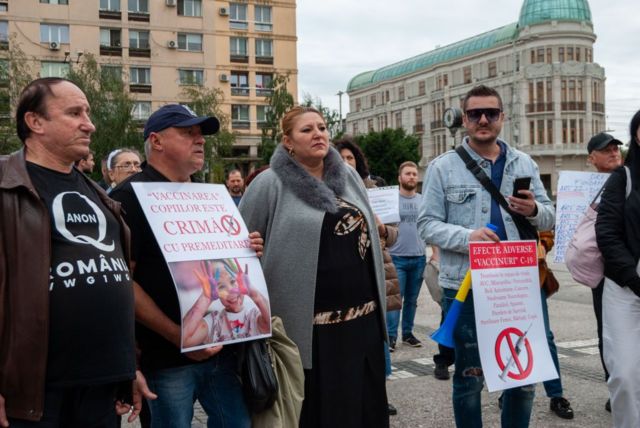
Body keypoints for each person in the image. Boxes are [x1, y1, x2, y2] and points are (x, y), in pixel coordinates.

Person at [0, 77, 153, 427]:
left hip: (100, 387)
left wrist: (128, 366)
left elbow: (114, 277)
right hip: (35, 393)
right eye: (74, 113)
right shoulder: (6, 185)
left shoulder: (99, 196)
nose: (90, 123)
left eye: (88, 111)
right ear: (35, 122)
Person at [110, 104, 263, 428]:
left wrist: (247, 250)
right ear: (157, 141)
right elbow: (123, 282)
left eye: (202, 134)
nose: (200, 140)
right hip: (166, 358)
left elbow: (226, 268)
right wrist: (180, 335)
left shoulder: (208, 196)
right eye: (188, 133)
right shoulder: (128, 197)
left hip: (224, 348)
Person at [240, 106, 389, 427]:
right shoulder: (269, 183)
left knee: (364, 411)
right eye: (306, 130)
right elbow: (239, 250)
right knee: (320, 414)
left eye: (322, 127)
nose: (318, 134)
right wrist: (250, 247)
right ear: (288, 141)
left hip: (361, 324)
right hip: (309, 333)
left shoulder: (348, 176)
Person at [418, 85, 555, 427]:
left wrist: (534, 208)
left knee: (523, 378)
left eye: (491, 113)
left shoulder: (524, 162)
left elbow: (551, 216)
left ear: (502, 118)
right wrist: (469, 237)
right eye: (475, 113)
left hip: (518, 284)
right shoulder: (442, 168)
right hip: (464, 284)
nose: (483, 120)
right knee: (469, 377)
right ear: (464, 119)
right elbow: (426, 225)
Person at [335, 137, 402, 417]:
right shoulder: (327, 191)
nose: (345, 163)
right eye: (340, 158)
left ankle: (378, 392)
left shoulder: (373, 191)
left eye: (350, 158)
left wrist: (381, 229)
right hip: (346, 275)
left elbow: (396, 236)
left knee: (379, 334)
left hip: (378, 268)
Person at [596, 110, 640, 428]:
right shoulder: (622, 178)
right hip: (626, 286)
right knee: (624, 374)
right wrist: (632, 277)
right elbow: (607, 234)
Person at [182, 259, 271, 346]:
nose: (231, 290)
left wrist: (253, 293)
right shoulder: (213, 322)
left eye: (232, 281)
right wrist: (205, 298)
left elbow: (269, 326)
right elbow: (184, 340)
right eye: (221, 286)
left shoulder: (254, 315)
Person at [386, 161, 426, 351]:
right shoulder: (391, 200)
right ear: (399, 177)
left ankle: (408, 334)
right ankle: (391, 335)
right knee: (395, 300)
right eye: (408, 174)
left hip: (419, 257)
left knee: (412, 299)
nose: (412, 177)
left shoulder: (423, 200)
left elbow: (429, 226)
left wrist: (435, 253)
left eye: (414, 174)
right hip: (397, 257)